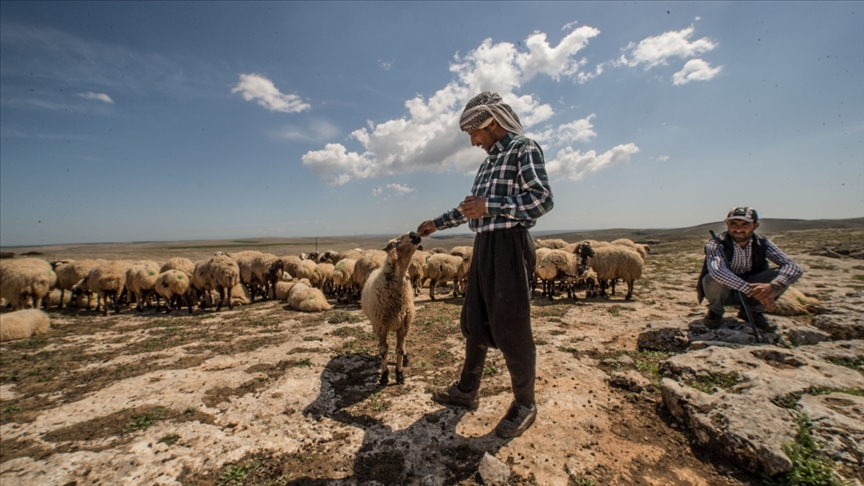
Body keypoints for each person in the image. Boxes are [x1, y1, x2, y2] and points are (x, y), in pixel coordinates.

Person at [416, 91, 553, 439]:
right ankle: (466, 391)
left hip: (510, 245)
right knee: (474, 322)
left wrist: (490, 206)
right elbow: (471, 208)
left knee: (511, 327)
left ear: (491, 123)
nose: (473, 141)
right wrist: (437, 222)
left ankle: (525, 404)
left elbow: (542, 199)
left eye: (474, 134)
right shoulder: (489, 162)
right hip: (485, 246)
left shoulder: (525, 148)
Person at [696, 207, 804, 330]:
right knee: (712, 279)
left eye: (745, 224)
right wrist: (753, 291)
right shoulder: (716, 243)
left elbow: (793, 266)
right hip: (725, 293)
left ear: (755, 225)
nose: (738, 229)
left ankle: (753, 312)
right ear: (727, 224)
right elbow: (718, 271)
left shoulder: (762, 243)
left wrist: (774, 286)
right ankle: (715, 312)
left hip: (752, 291)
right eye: (733, 224)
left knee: (781, 275)